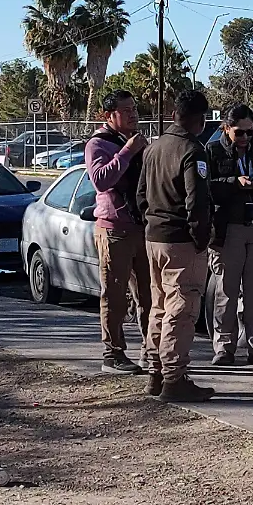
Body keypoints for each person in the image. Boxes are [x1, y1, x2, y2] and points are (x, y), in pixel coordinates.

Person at [137, 89, 215, 402]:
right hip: (181, 239)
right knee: (181, 308)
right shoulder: (193, 151)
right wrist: (200, 237)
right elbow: (197, 201)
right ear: (201, 119)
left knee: (158, 305)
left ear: (174, 115)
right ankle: (175, 376)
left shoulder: (154, 148)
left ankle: (155, 372)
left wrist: (151, 221)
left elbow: (141, 194)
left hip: (153, 236)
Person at [206, 104, 253, 367]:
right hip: (228, 230)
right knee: (226, 292)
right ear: (226, 129)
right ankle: (224, 347)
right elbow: (205, 189)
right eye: (240, 133)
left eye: (252, 133)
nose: (246, 139)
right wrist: (234, 183)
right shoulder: (213, 151)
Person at [84, 89, 150, 375]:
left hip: (142, 227)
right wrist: (128, 152)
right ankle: (113, 354)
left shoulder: (138, 142)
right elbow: (101, 180)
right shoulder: (98, 144)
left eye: (134, 108)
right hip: (114, 230)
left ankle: (152, 349)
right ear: (109, 115)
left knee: (148, 295)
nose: (133, 114)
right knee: (114, 294)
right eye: (126, 110)